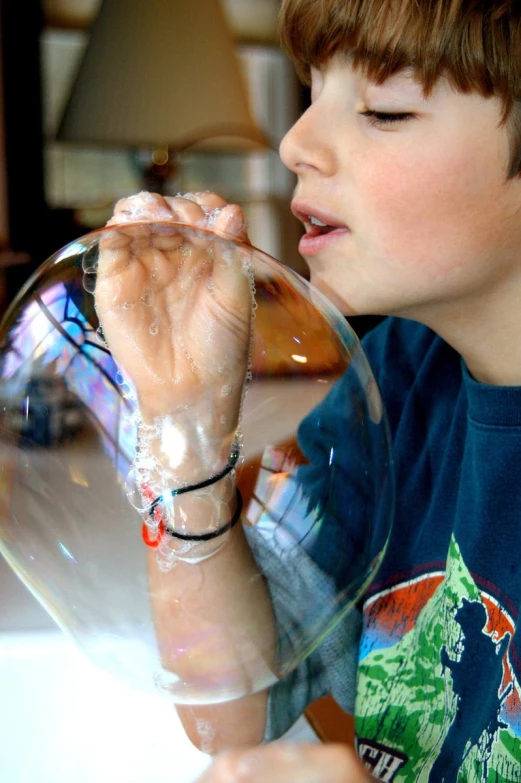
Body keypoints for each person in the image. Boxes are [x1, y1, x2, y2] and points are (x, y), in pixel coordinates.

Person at [97, 0, 521, 780]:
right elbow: (231, 708)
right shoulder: (396, 379)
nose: (294, 142)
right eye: (313, 89)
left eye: (382, 110)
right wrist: (185, 423)